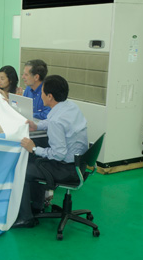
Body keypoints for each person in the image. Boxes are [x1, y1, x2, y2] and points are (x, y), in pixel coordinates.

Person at [12, 75, 88, 228]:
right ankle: (37, 205)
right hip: (81, 164)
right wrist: (37, 126)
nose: (40, 95)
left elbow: (58, 154)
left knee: (22, 169)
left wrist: (33, 148)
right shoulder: (70, 106)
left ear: (50, 96)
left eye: (42, 92)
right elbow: (54, 122)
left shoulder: (56, 120)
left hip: (67, 169)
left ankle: (26, 218)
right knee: (35, 159)